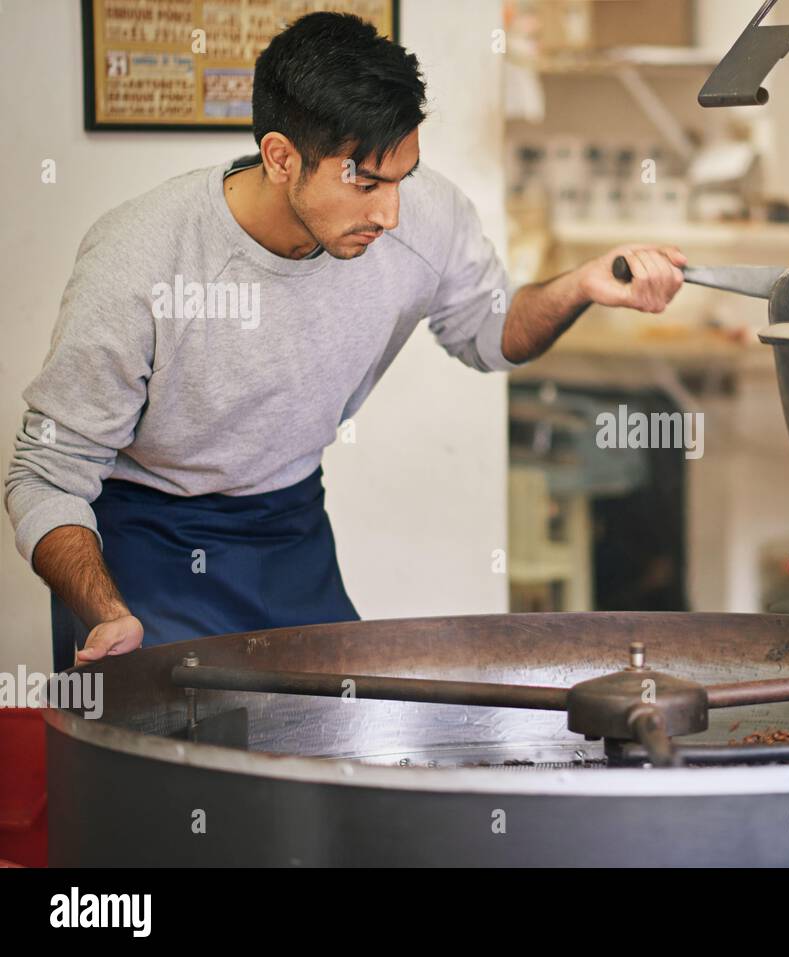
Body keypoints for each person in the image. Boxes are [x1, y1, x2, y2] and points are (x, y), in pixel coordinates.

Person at [5, 12, 686, 670]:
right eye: (362, 180)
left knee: (334, 737)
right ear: (280, 157)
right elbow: (45, 476)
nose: (389, 213)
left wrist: (581, 285)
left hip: (288, 525)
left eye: (403, 177)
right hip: (143, 538)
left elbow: (491, 330)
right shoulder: (141, 259)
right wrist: (105, 609)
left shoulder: (420, 218)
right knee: (176, 756)